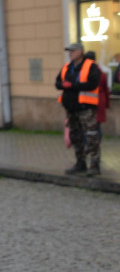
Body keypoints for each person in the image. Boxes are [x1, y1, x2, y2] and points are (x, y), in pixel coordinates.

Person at [56, 42, 102, 176]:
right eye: (69, 51)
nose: (70, 53)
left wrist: (72, 85)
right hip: (71, 108)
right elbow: (57, 83)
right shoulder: (67, 67)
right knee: (75, 137)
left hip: (86, 108)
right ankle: (80, 164)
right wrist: (63, 84)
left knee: (92, 137)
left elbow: (93, 83)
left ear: (80, 52)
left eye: (72, 51)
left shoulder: (91, 66)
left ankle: (94, 166)